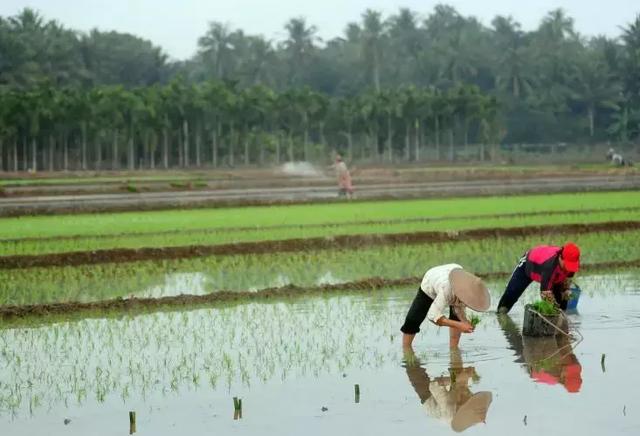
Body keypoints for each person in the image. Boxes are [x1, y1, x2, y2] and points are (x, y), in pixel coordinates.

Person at [401, 264, 491, 349]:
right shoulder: (446, 290)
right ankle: (406, 351)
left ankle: (454, 350)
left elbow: (458, 309)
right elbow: (433, 316)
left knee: (456, 317)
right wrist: (460, 325)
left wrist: (465, 322)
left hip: (455, 271)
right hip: (431, 281)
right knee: (413, 320)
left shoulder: (468, 291)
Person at [403, 347, 493, 432]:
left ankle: (406, 348)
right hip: (455, 399)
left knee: (412, 367)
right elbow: (458, 383)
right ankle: (454, 349)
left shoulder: (448, 410)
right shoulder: (471, 406)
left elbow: (434, 384)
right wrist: (465, 375)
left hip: (429, 398)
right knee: (458, 374)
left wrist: (458, 379)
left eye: (468, 396)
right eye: (470, 396)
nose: (470, 394)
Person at [497, 313, 583, 393]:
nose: (570, 364)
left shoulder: (551, 375)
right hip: (545, 355)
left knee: (514, 340)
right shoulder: (575, 366)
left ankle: (505, 323)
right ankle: (504, 320)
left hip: (531, 363)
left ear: (563, 379)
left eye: (567, 369)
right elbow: (566, 346)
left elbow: (535, 361)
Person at [497, 242, 580, 314]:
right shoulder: (549, 267)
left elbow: (566, 282)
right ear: (561, 258)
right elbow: (546, 295)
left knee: (561, 301)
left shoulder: (572, 264)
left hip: (553, 275)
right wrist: (555, 310)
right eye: (567, 265)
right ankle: (500, 315)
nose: (568, 269)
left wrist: (565, 293)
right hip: (528, 265)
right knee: (510, 296)